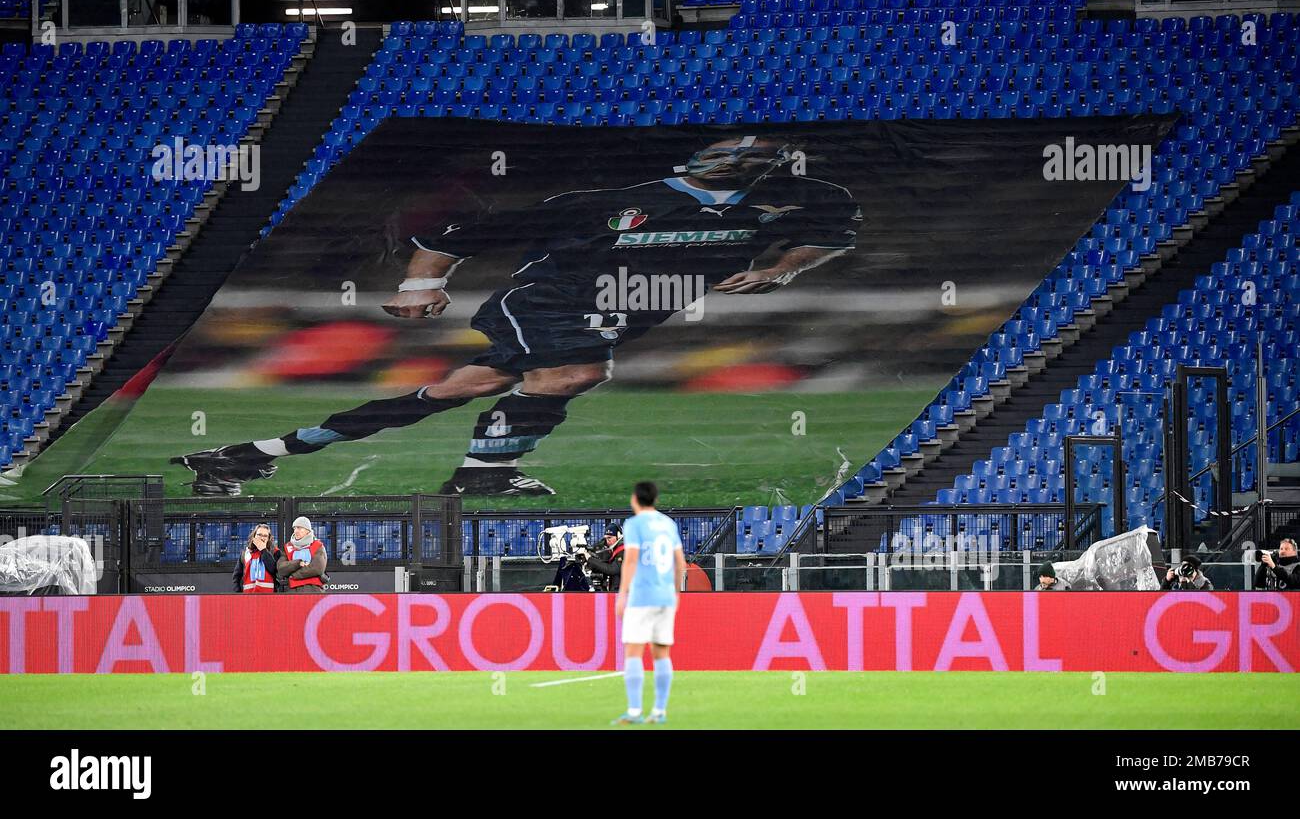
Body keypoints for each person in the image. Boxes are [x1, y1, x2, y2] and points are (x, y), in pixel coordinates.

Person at [171, 137, 862, 497]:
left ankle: (245, 455)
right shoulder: (609, 201)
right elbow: (452, 233)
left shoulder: (794, 203)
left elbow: (831, 233)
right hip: (545, 305)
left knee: (452, 391)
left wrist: (779, 271)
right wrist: (420, 285)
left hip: (617, 317)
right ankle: (485, 472)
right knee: (576, 371)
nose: (751, 170)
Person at [614, 482, 686, 725]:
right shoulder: (668, 523)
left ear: (635, 499)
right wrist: (675, 593)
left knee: (633, 652)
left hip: (642, 596)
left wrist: (622, 594)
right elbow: (681, 563)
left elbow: (631, 560)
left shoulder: (634, 524)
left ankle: (634, 711)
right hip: (666, 596)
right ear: (655, 499)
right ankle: (659, 711)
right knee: (661, 653)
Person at [277, 516, 327, 594]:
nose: (296, 531)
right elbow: (281, 568)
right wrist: (298, 563)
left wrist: (293, 575)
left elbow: (317, 568)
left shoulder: (318, 546)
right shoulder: (287, 547)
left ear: (308, 530)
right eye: (295, 528)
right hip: (292, 591)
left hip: (313, 590)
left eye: (299, 528)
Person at [233, 523, 281, 594]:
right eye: (259, 535)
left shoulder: (275, 552)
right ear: (254, 536)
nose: (262, 538)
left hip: (269, 596)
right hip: (247, 596)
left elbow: (274, 570)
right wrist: (238, 592)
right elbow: (237, 575)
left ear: (269, 538)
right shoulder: (245, 553)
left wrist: (263, 550)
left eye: (265, 536)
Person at [579, 523, 625, 592]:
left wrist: (590, 559)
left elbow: (612, 569)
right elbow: (598, 547)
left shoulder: (624, 550)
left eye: (610, 538)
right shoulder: (613, 548)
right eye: (606, 538)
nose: (607, 541)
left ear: (618, 536)